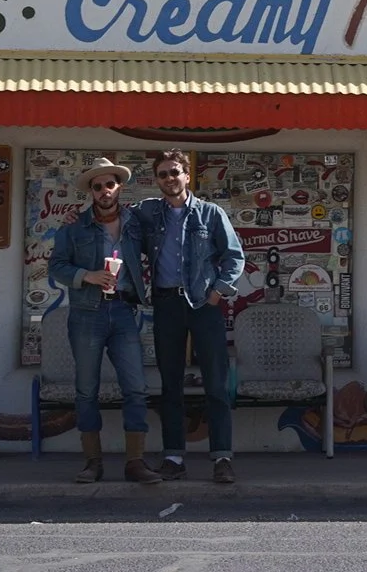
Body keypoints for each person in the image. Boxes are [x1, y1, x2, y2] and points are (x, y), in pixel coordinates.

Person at [134, 149, 245, 484]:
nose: (169, 179)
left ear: (186, 175)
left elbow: (234, 256)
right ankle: (173, 457)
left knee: (216, 383)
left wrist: (218, 292)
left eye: (175, 172)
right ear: (156, 180)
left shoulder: (210, 213)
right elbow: (114, 223)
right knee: (171, 385)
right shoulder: (148, 212)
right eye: (163, 174)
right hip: (166, 304)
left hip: (203, 305)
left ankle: (222, 457)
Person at [48, 157, 161, 485]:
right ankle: (92, 462)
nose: (104, 191)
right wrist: (88, 275)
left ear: (119, 187)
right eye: (97, 186)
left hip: (124, 311)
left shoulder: (135, 223)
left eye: (109, 184)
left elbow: (161, 234)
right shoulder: (74, 226)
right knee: (86, 390)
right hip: (87, 313)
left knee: (136, 387)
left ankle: (135, 462)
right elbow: (56, 266)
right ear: (91, 191)